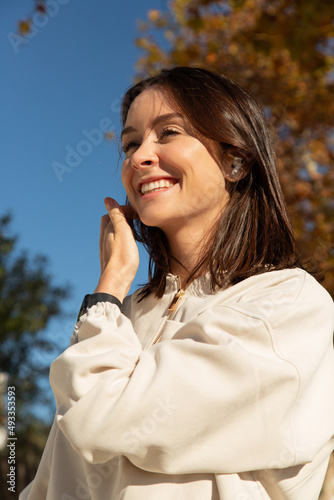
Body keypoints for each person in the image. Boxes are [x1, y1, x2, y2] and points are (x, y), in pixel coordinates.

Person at [20, 66, 334, 500]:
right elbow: (52, 481)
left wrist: (109, 285)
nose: (138, 156)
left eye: (168, 133)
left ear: (235, 160)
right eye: (131, 143)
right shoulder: (120, 318)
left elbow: (101, 417)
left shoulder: (288, 304)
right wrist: (111, 301)